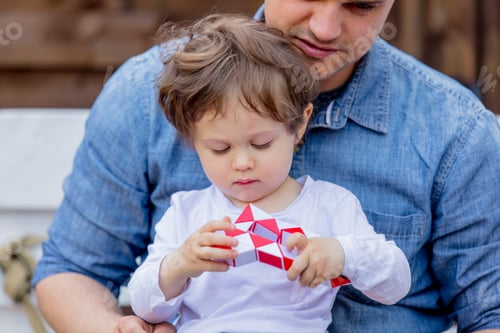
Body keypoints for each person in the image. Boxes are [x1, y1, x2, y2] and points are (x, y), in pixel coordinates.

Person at [33, 1, 500, 333]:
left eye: (361, 5)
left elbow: (490, 313)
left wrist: (347, 255)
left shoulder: (456, 131)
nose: (325, 27)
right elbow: (71, 269)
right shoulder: (146, 93)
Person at [121, 14, 411, 333]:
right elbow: (145, 305)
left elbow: (395, 284)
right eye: (220, 148)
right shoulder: (187, 213)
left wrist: (344, 253)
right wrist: (178, 265)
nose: (242, 162)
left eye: (261, 143)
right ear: (192, 140)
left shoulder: (329, 205)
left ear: (299, 125)